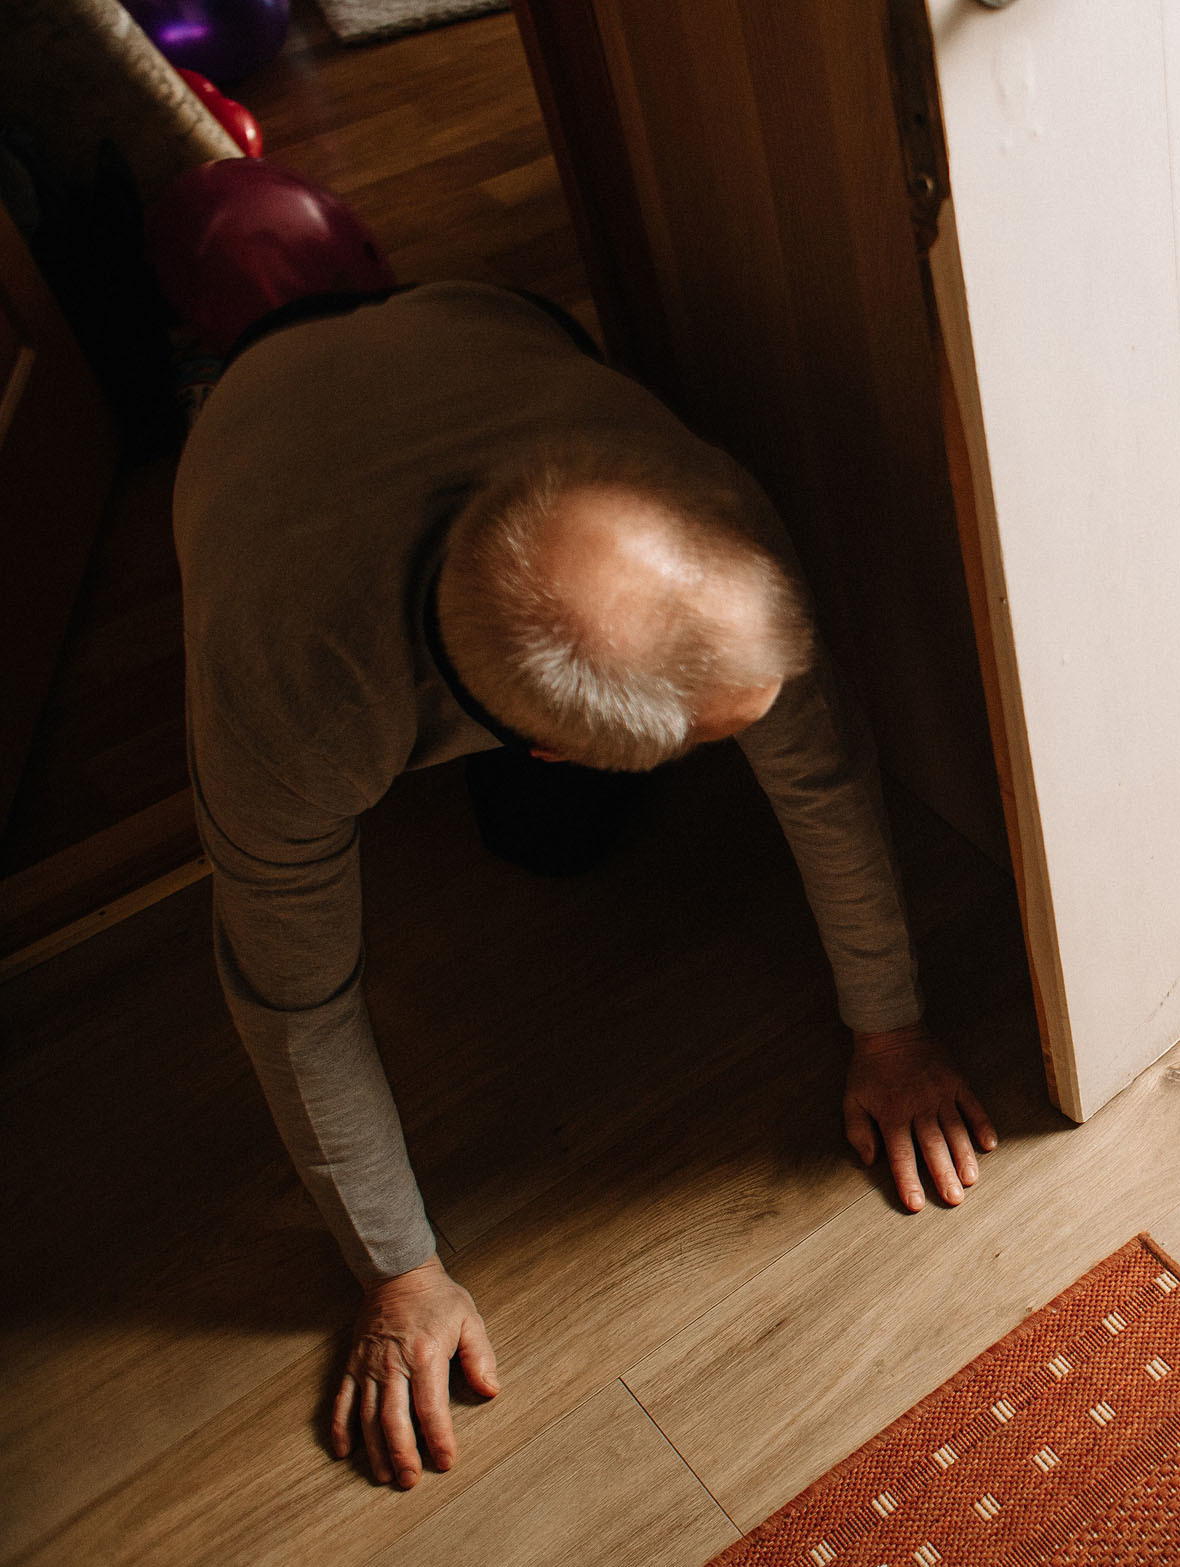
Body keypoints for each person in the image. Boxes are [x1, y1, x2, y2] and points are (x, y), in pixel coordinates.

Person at [177, 280, 998, 1491]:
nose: (766, 736)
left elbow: (822, 770)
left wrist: (892, 1024)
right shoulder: (290, 696)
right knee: (544, 842)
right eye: (723, 737)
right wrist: (398, 1270)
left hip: (480, 315)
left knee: (555, 845)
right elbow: (294, 996)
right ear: (537, 739)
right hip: (253, 393)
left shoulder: (699, 505)